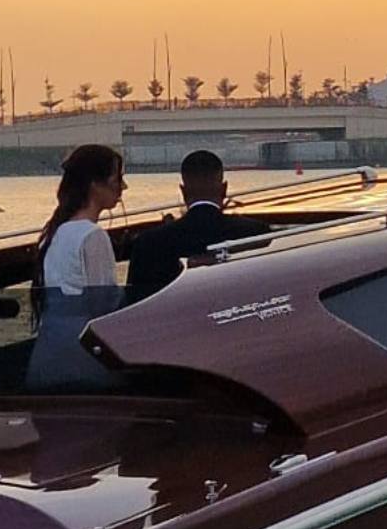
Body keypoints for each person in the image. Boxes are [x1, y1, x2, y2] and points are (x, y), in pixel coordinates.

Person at [25, 144, 127, 391]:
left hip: (49, 353)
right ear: (95, 184)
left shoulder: (55, 233)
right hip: (83, 359)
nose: (123, 187)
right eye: (118, 178)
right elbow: (103, 308)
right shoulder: (92, 236)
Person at [125, 149, 265, 304]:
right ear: (224, 189)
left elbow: (136, 303)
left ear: (183, 191)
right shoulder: (256, 233)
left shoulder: (148, 243)